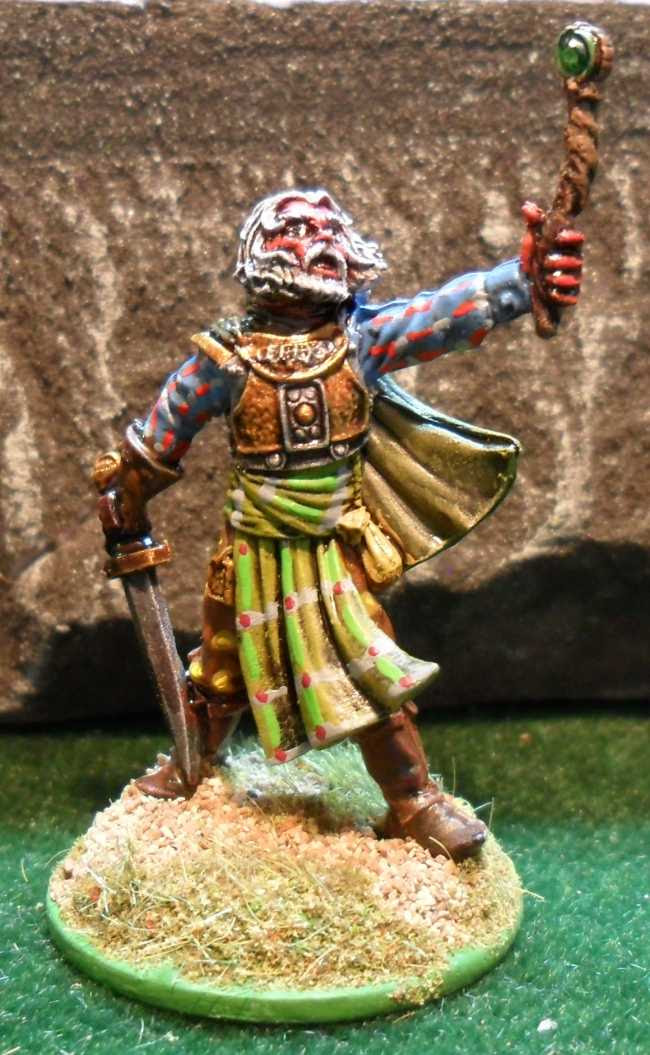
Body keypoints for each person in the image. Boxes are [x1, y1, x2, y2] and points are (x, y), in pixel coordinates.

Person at [95, 188, 583, 861]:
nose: (319, 238)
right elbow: (165, 429)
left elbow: (439, 314)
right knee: (221, 664)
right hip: (248, 549)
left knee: (368, 667)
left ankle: (412, 800)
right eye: (297, 228)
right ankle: (190, 765)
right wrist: (127, 492)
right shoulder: (225, 358)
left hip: (332, 552)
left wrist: (521, 280)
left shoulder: (360, 340)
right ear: (262, 252)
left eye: (328, 226)